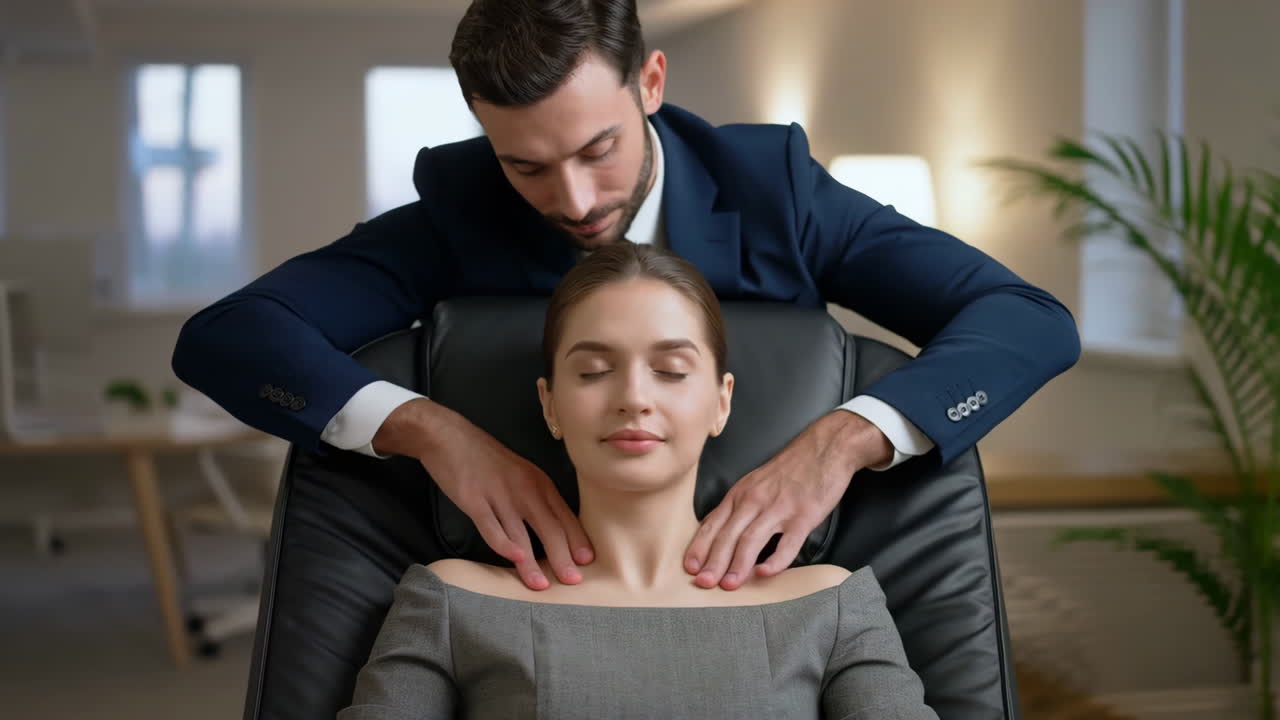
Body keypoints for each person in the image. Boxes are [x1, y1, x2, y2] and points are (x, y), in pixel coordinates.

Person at [171, 0, 1080, 595]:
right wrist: (431, 431)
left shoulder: (776, 191)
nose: (572, 201)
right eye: (526, 163)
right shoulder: (463, 207)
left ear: (650, 82)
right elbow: (230, 337)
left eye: (597, 149)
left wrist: (846, 440)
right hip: (530, 597)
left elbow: (1027, 320)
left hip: (773, 593)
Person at [338, 242, 940, 720]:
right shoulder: (452, 602)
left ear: (720, 403)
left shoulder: (827, 606)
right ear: (550, 406)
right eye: (595, 371)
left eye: (671, 371)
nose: (633, 398)